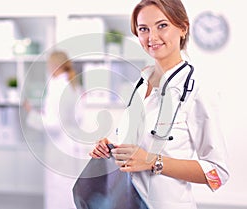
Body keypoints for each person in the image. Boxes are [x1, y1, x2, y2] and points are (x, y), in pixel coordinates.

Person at [89, 0, 229, 209]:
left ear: (183, 28)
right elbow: (135, 146)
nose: (152, 37)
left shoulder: (197, 90)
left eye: (162, 25)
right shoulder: (141, 83)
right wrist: (109, 148)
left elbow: (218, 174)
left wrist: (154, 161)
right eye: (143, 29)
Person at [25, 50, 83, 209]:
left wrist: (32, 115)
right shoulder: (74, 85)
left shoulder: (56, 87)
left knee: (58, 189)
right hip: (72, 145)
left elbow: (53, 124)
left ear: (53, 66)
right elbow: (79, 116)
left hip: (59, 147)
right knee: (69, 187)